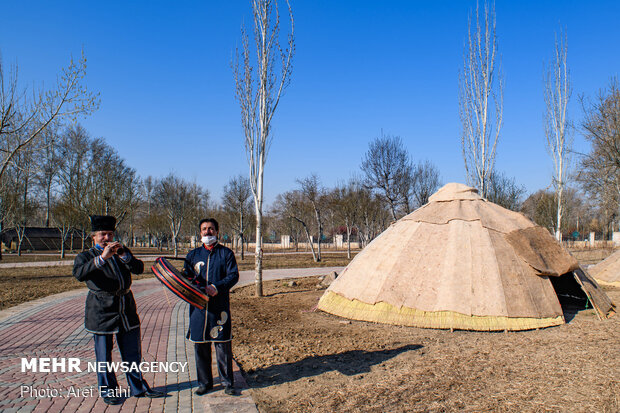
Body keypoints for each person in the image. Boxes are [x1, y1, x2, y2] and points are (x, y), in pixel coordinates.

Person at [73, 215, 165, 405]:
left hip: (126, 308)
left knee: (132, 352)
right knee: (104, 355)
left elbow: (139, 268)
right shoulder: (86, 256)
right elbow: (79, 274)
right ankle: (109, 391)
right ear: (93, 237)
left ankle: (138, 386)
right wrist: (102, 258)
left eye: (110, 234)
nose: (107, 238)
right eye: (102, 235)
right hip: (101, 309)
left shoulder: (121, 251)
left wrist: (124, 256)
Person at [184, 218, 239, 396]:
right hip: (198, 308)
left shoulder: (226, 254)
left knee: (222, 346)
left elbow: (233, 275)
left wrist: (217, 287)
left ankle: (227, 383)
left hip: (219, 307)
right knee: (200, 346)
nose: (207, 232)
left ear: (217, 232)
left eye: (211, 229)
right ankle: (204, 383)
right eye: (204, 229)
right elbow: (186, 277)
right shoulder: (192, 255)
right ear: (200, 233)